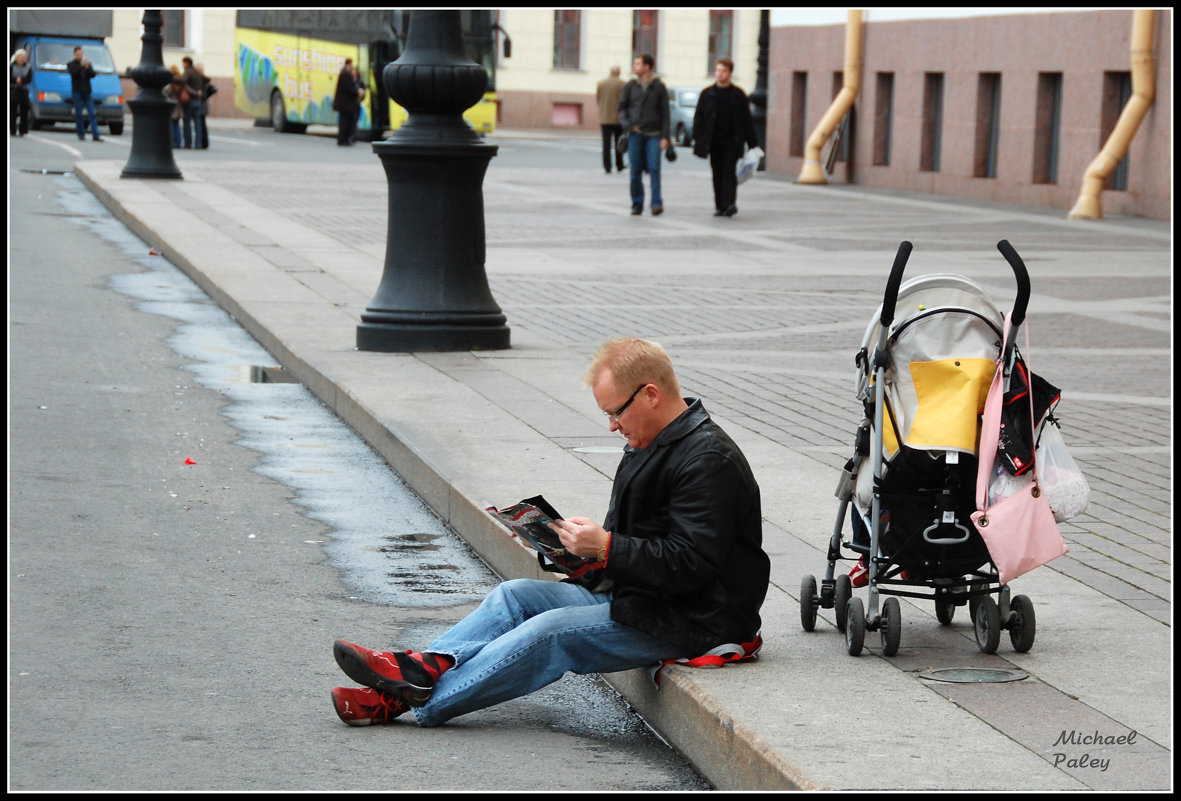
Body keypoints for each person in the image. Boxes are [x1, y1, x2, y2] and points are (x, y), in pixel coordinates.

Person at [331, 337, 770, 727]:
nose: (612, 425)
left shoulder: (708, 460)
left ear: (651, 394)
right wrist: (573, 550)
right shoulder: (651, 442)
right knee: (515, 595)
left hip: (695, 617)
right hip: (642, 595)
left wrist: (608, 546)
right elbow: (638, 545)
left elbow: (690, 565)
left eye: (615, 412)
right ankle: (419, 670)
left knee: (550, 634)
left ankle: (408, 703)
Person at [692, 59, 760, 218]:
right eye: (717, 70)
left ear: (729, 73)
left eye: (723, 71)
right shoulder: (707, 93)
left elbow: (746, 120)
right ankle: (719, 205)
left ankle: (729, 204)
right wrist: (698, 137)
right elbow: (699, 117)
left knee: (729, 172)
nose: (719, 74)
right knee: (717, 173)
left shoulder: (738, 94)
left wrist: (753, 143)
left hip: (732, 141)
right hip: (713, 141)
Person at [617, 54, 670, 216]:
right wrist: (627, 125)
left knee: (654, 169)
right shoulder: (630, 86)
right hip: (635, 134)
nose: (634, 66)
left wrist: (665, 136)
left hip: (654, 134)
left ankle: (656, 203)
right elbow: (621, 109)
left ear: (647, 67)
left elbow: (665, 113)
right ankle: (637, 204)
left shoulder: (659, 87)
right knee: (635, 171)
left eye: (638, 64)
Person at [67, 46, 102, 141]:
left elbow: (93, 74)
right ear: (75, 54)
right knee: (79, 114)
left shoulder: (87, 64)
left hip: (87, 92)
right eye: (78, 54)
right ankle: (81, 134)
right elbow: (73, 73)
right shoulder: (71, 64)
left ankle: (96, 135)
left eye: (81, 54)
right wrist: (81, 66)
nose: (80, 55)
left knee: (92, 113)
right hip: (77, 92)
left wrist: (87, 68)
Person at [596, 65, 625, 174]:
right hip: (618, 119)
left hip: (605, 118)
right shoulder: (623, 84)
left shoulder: (601, 83)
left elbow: (598, 99)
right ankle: (619, 164)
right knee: (619, 143)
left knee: (606, 144)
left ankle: (607, 166)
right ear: (619, 72)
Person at [333, 58, 362, 146]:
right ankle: (343, 139)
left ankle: (344, 139)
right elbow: (348, 88)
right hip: (345, 105)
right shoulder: (346, 74)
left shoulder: (344, 73)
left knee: (345, 122)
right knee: (345, 123)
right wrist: (357, 91)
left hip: (345, 105)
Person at [180, 56, 204, 149]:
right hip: (198, 101)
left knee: (187, 123)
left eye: (183, 63)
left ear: (187, 63)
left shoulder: (188, 71)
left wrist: (172, 78)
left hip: (190, 100)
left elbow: (182, 80)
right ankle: (198, 143)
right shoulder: (198, 72)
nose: (183, 65)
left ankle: (188, 143)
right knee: (198, 123)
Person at [10, 49, 32, 137]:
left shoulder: (28, 67)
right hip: (13, 89)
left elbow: (29, 79)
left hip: (23, 90)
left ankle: (23, 130)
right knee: (12, 111)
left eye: (24, 57)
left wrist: (22, 80)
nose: (23, 59)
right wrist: (15, 80)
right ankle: (12, 129)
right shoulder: (11, 66)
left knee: (24, 111)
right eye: (21, 57)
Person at [164, 64, 184, 148]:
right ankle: (178, 142)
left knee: (171, 123)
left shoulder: (171, 82)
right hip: (179, 104)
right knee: (176, 124)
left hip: (171, 104)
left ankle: (172, 142)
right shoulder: (180, 81)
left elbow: (166, 92)